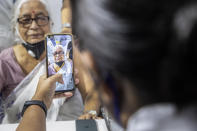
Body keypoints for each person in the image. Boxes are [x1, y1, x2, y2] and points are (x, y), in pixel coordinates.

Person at [0, 0, 97, 124]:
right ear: (16, 25)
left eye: (41, 18)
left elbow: (91, 92)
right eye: (25, 20)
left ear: (50, 22)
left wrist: (90, 113)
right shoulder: (5, 60)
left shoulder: (66, 49)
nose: (34, 26)